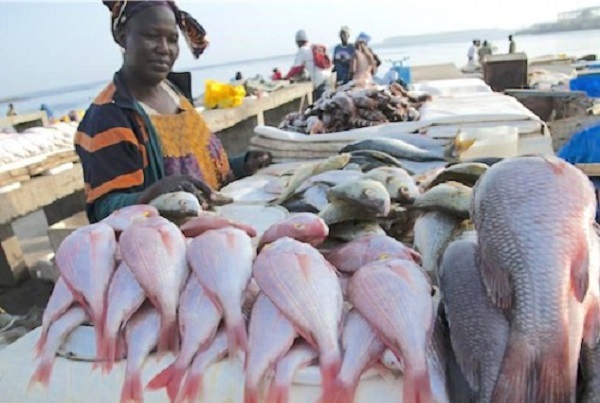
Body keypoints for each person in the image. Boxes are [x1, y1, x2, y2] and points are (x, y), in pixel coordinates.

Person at [75, 1, 271, 223]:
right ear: (122, 36)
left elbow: (200, 171)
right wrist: (154, 194)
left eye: (172, 39)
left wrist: (242, 165)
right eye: (151, 36)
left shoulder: (175, 93)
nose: (164, 48)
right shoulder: (110, 116)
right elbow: (105, 210)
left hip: (219, 227)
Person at [285, 29, 332, 99]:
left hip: (320, 83)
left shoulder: (302, 50)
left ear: (298, 42)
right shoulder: (312, 48)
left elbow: (296, 69)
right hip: (328, 79)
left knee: (321, 107)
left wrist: (285, 77)